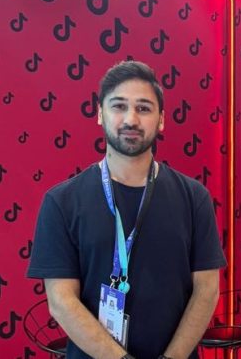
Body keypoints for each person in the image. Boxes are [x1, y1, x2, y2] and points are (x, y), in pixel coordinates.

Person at [28, 60, 226, 359]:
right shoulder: (62, 202)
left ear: (161, 120)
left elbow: (207, 291)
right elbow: (61, 301)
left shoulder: (194, 198)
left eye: (144, 108)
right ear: (100, 114)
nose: (131, 119)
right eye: (119, 106)